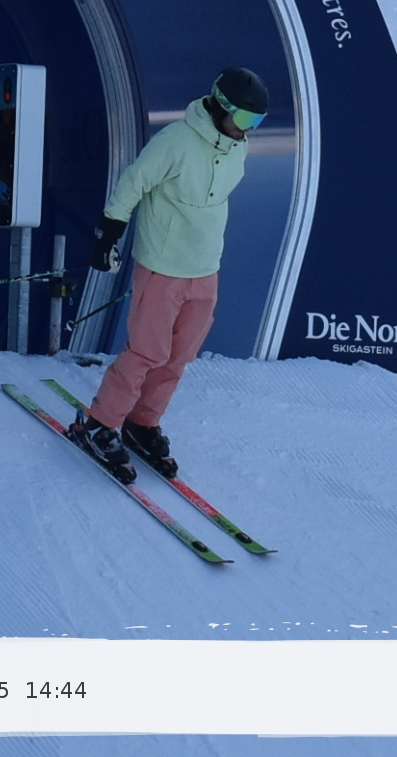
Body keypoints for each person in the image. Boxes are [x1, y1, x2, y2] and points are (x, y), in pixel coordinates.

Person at [78, 66, 270, 480]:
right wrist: (108, 234)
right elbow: (133, 183)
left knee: (178, 357)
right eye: (244, 118)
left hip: (205, 268)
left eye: (256, 122)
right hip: (163, 266)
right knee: (146, 352)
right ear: (221, 106)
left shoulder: (237, 147)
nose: (247, 130)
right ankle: (100, 422)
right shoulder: (176, 141)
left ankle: (142, 422)